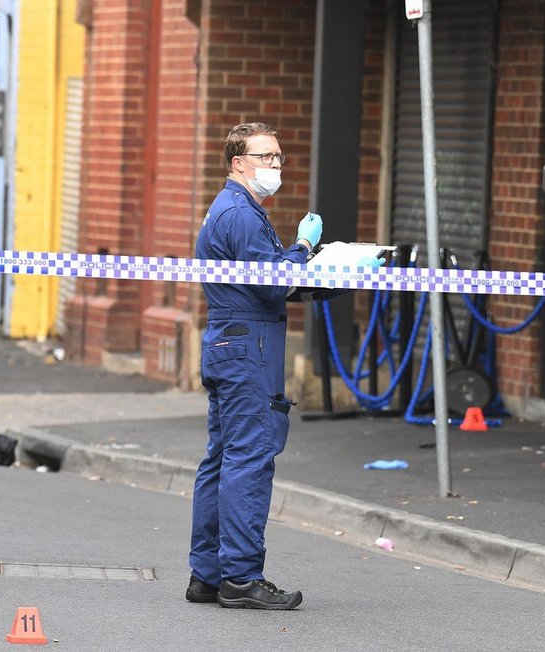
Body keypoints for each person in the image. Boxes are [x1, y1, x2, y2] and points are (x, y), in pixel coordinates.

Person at [186, 122, 322, 610]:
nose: (276, 166)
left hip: (228, 340)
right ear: (237, 162)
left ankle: (207, 573)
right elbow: (272, 284)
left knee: (221, 459)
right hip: (249, 347)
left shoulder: (228, 209)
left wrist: (293, 257)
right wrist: (306, 251)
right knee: (249, 458)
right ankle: (241, 578)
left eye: (279, 158)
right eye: (266, 157)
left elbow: (261, 269)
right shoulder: (242, 214)